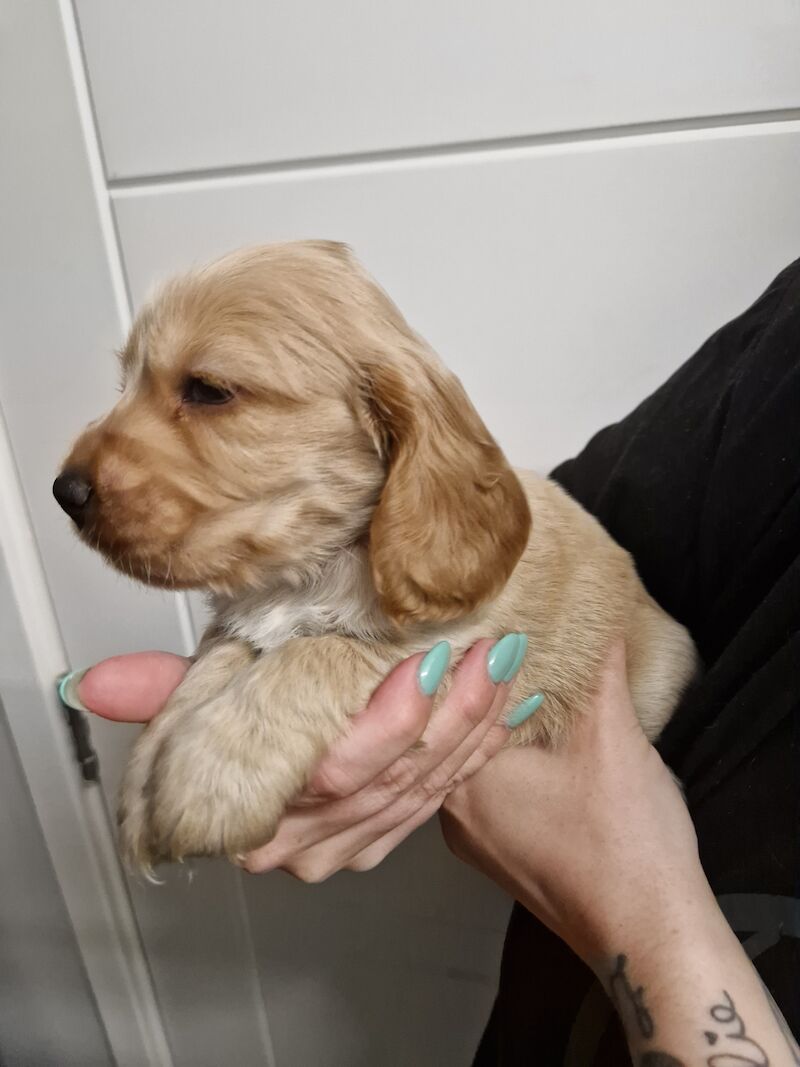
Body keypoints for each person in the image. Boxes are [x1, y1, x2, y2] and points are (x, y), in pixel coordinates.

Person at [60, 257, 800, 1064]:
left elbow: (457, 607)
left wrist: (638, 908)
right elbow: (486, 537)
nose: (101, 455)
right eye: (133, 385)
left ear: (390, 414)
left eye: (205, 391)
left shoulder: (414, 437)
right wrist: (231, 661)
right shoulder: (780, 355)